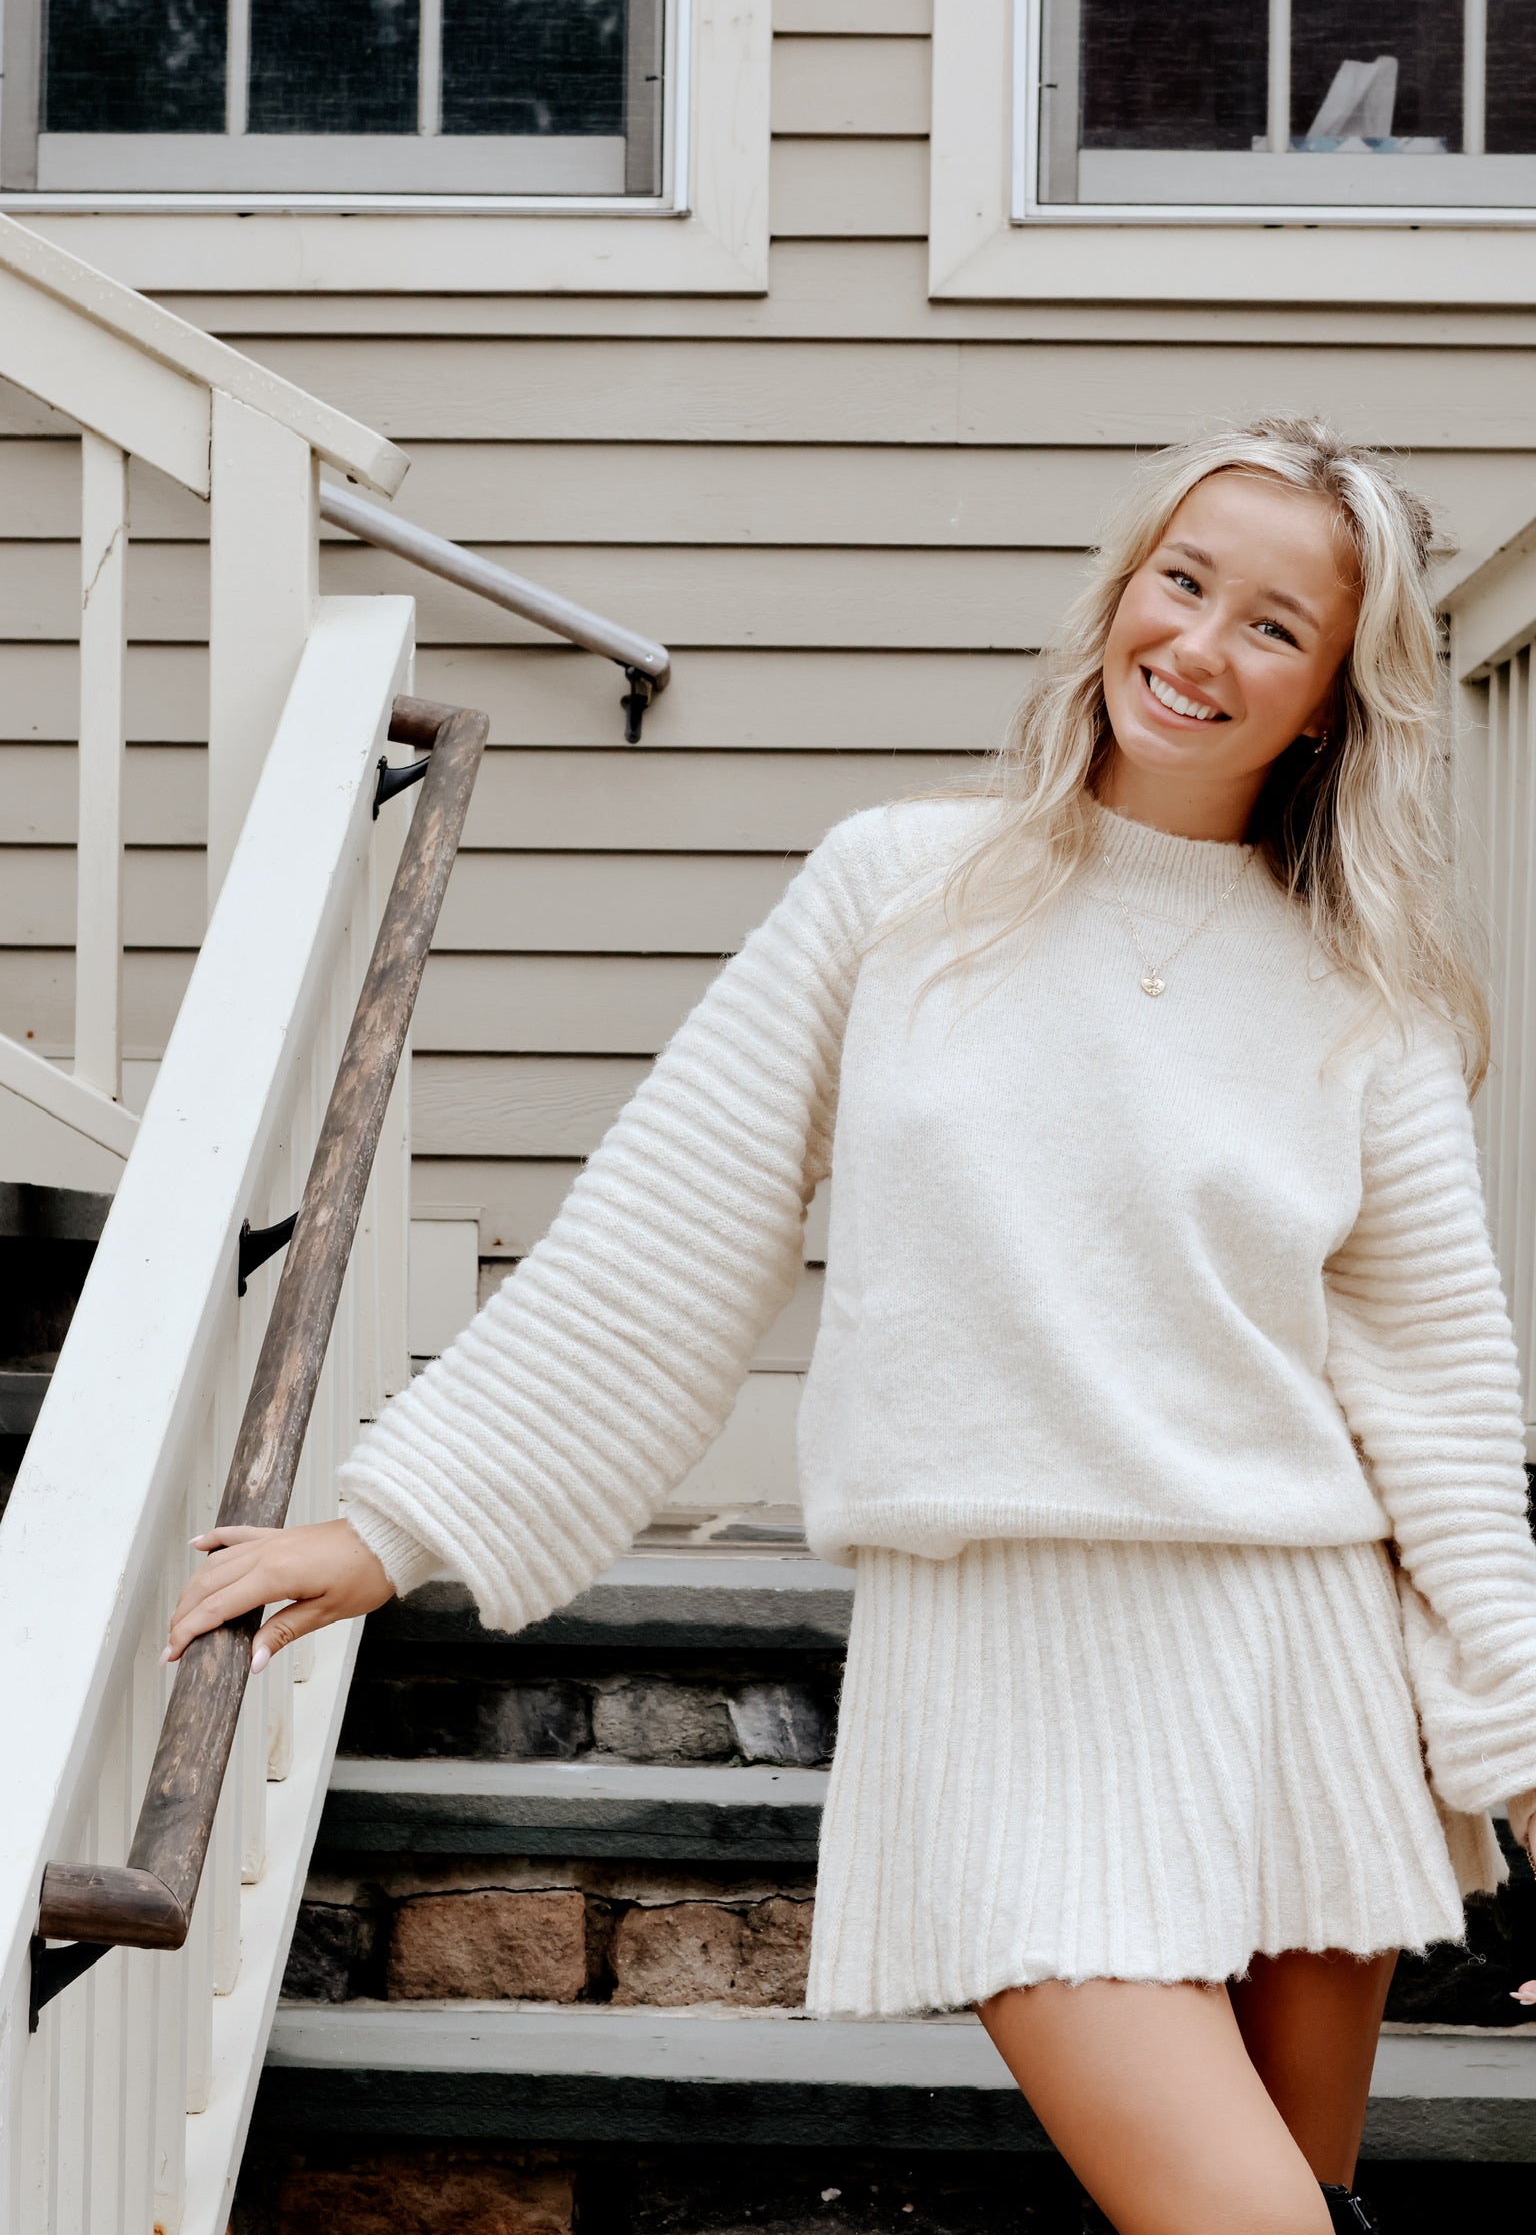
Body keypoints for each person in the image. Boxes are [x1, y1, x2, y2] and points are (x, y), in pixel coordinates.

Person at [166, 416, 1536, 2235]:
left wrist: (1517, 1731)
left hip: (1298, 1665)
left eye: (1275, 628)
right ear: (1124, 588)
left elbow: (1436, 1399)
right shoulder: (900, 889)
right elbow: (678, 1215)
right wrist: (397, 1519)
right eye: (1182, 580)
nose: (1199, 648)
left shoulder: (1367, 1003)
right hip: (1004, 1670)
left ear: (1335, 700)